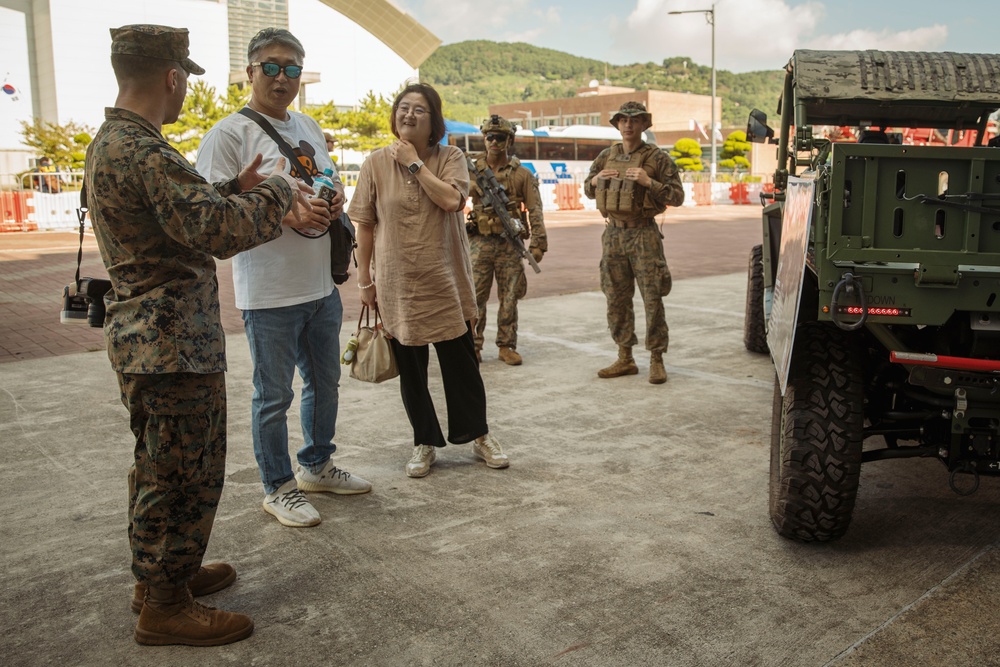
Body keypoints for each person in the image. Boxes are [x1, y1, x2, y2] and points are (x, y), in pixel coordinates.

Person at [86, 24, 309, 646]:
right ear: (172, 77)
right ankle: (165, 603)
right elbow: (211, 231)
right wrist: (275, 190)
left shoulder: (115, 142)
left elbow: (178, 213)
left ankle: (164, 575)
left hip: (152, 338)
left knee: (159, 464)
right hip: (171, 342)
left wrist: (228, 190)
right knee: (182, 471)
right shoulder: (146, 150)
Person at [197, 27, 371, 528]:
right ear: (250, 72)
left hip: (320, 286)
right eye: (270, 67)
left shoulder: (308, 126)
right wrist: (283, 217)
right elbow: (211, 216)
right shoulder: (228, 134)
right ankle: (278, 487)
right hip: (270, 292)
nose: (281, 77)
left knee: (325, 383)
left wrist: (335, 197)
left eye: (291, 69)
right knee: (273, 396)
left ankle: (316, 465)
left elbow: (327, 177)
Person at [348, 82, 509, 478]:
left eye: (419, 109)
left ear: (433, 119)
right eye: (403, 107)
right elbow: (364, 225)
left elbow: (452, 200)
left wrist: (414, 163)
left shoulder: (450, 156)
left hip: (445, 280)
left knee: (462, 366)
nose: (408, 115)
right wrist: (364, 280)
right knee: (412, 370)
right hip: (397, 284)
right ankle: (424, 441)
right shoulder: (374, 164)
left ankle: (479, 434)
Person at [584, 101, 685, 384]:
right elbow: (588, 190)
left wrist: (648, 182)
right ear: (617, 124)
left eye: (635, 120)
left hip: (644, 234)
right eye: (623, 120)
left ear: (644, 125)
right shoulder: (606, 156)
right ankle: (625, 357)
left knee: (652, 297)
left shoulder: (658, 158)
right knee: (616, 297)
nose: (628, 125)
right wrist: (594, 182)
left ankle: (656, 358)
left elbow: (677, 197)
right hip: (613, 234)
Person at [467, 114, 547, 365]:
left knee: (510, 297)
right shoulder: (470, 170)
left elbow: (535, 209)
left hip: (509, 245)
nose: (493, 142)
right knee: (474, 297)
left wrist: (538, 244)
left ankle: (506, 345)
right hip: (479, 242)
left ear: (509, 140)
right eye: (489, 137)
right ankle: (473, 346)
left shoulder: (522, 174)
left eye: (500, 137)